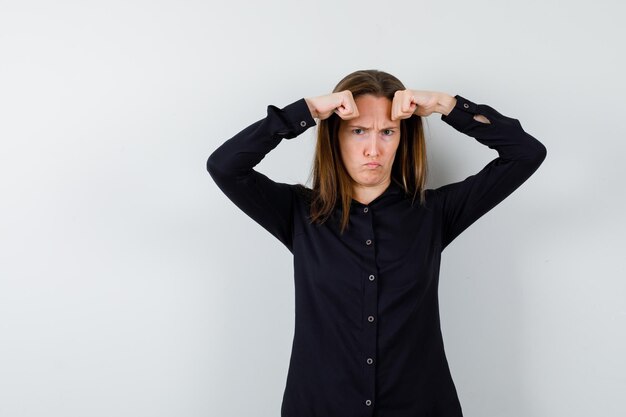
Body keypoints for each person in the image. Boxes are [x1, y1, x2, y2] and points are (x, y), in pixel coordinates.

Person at [206, 69, 547, 417]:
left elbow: (526, 153)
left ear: (403, 137)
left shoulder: (434, 213)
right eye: (358, 131)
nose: (373, 149)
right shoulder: (300, 214)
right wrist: (305, 111)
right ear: (335, 137)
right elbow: (225, 166)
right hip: (319, 406)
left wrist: (445, 105)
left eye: (387, 131)